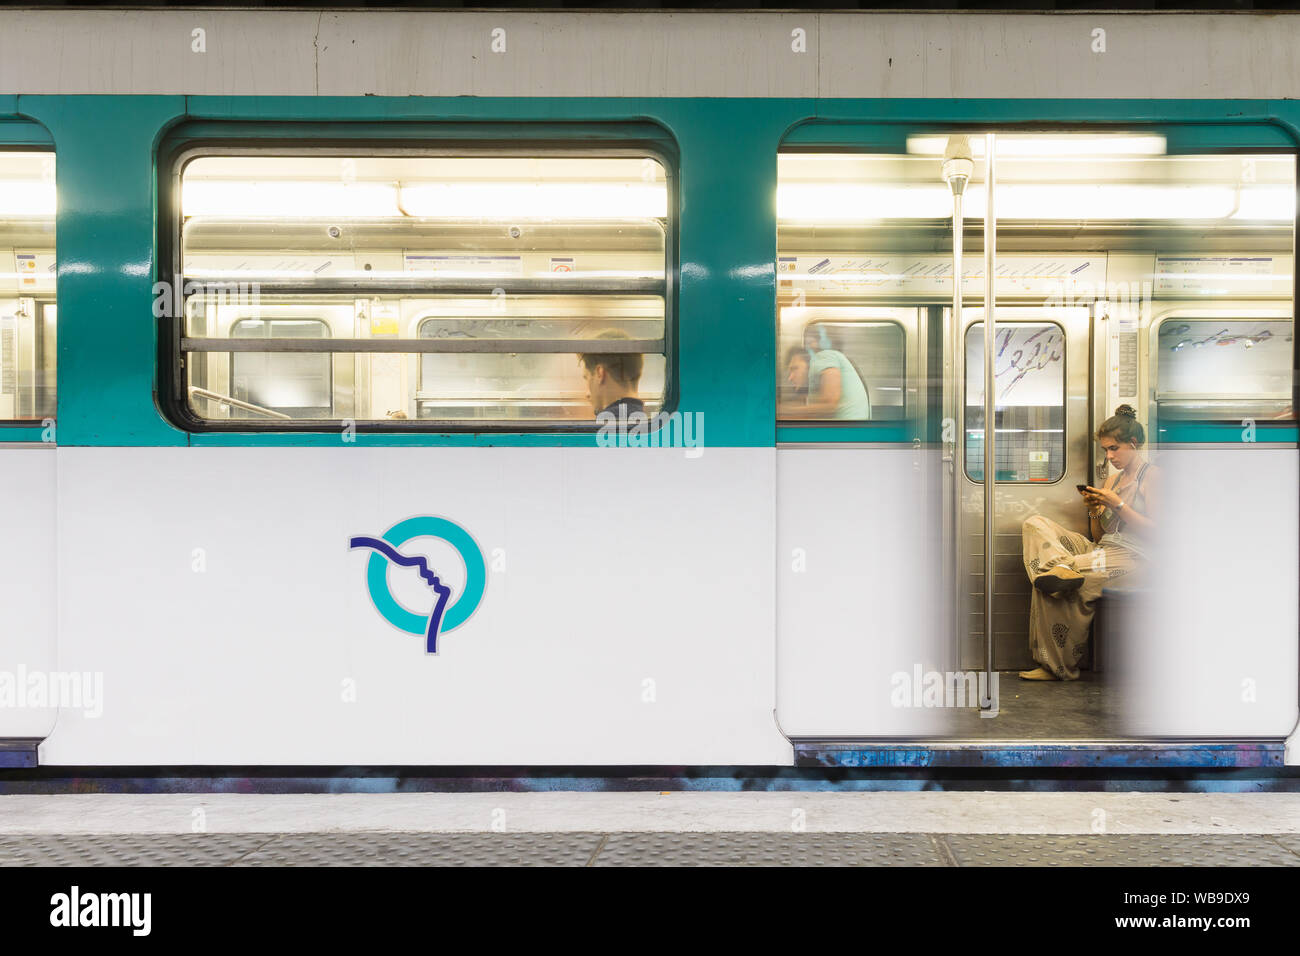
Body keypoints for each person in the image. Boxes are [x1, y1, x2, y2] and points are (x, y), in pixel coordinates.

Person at [1018, 405, 1158, 681]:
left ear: (1134, 444)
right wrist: (1094, 509)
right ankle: (1061, 570)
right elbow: (1099, 535)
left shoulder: (1153, 477)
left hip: (1136, 556)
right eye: (1106, 450)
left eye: (1115, 448)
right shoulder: (1113, 480)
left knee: (1057, 579)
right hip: (1106, 547)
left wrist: (1117, 504)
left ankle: (1059, 668)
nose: (1110, 456)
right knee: (1035, 524)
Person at [778, 327, 871, 420]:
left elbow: (829, 405)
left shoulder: (822, 357)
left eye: (794, 368)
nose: (790, 377)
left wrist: (782, 412)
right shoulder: (815, 382)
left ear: (807, 362)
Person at [578, 329, 644, 418]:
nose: (587, 394)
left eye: (587, 378)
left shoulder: (606, 426)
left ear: (599, 373)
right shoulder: (645, 420)